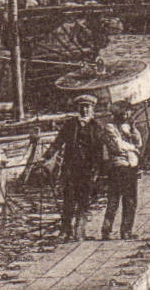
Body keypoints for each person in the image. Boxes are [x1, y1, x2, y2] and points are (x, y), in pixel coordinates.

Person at [42, 94, 108, 239]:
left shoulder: (97, 127)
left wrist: (99, 171)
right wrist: (46, 157)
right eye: (82, 107)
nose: (84, 110)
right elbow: (58, 142)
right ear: (78, 108)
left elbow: (101, 151)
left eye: (87, 107)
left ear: (92, 109)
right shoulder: (70, 125)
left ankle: (79, 230)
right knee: (68, 200)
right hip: (71, 169)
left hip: (88, 170)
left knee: (84, 199)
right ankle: (65, 230)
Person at [101, 105, 143, 240]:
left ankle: (126, 231)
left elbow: (139, 142)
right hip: (118, 166)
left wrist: (133, 129)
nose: (127, 116)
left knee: (130, 200)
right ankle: (106, 230)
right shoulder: (110, 127)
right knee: (113, 200)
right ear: (117, 114)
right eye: (124, 114)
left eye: (128, 114)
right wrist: (134, 148)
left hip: (131, 166)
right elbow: (118, 146)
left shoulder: (129, 127)